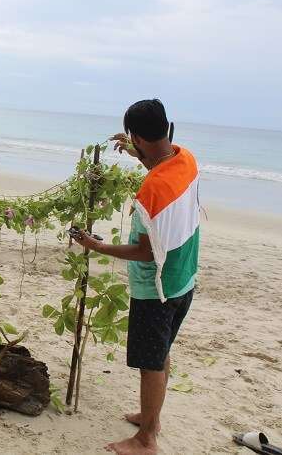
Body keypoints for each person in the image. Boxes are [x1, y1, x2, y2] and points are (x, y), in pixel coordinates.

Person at [71, 99, 200, 455]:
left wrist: (97, 246)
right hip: (184, 279)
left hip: (156, 289)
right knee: (161, 354)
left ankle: (146, 440)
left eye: (133, 139)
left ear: (137, 136)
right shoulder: (185, 159)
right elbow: (159, 164)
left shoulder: (151, 191)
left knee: (149, 364)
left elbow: (145, 251)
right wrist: (135, 151)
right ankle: (150, 418)